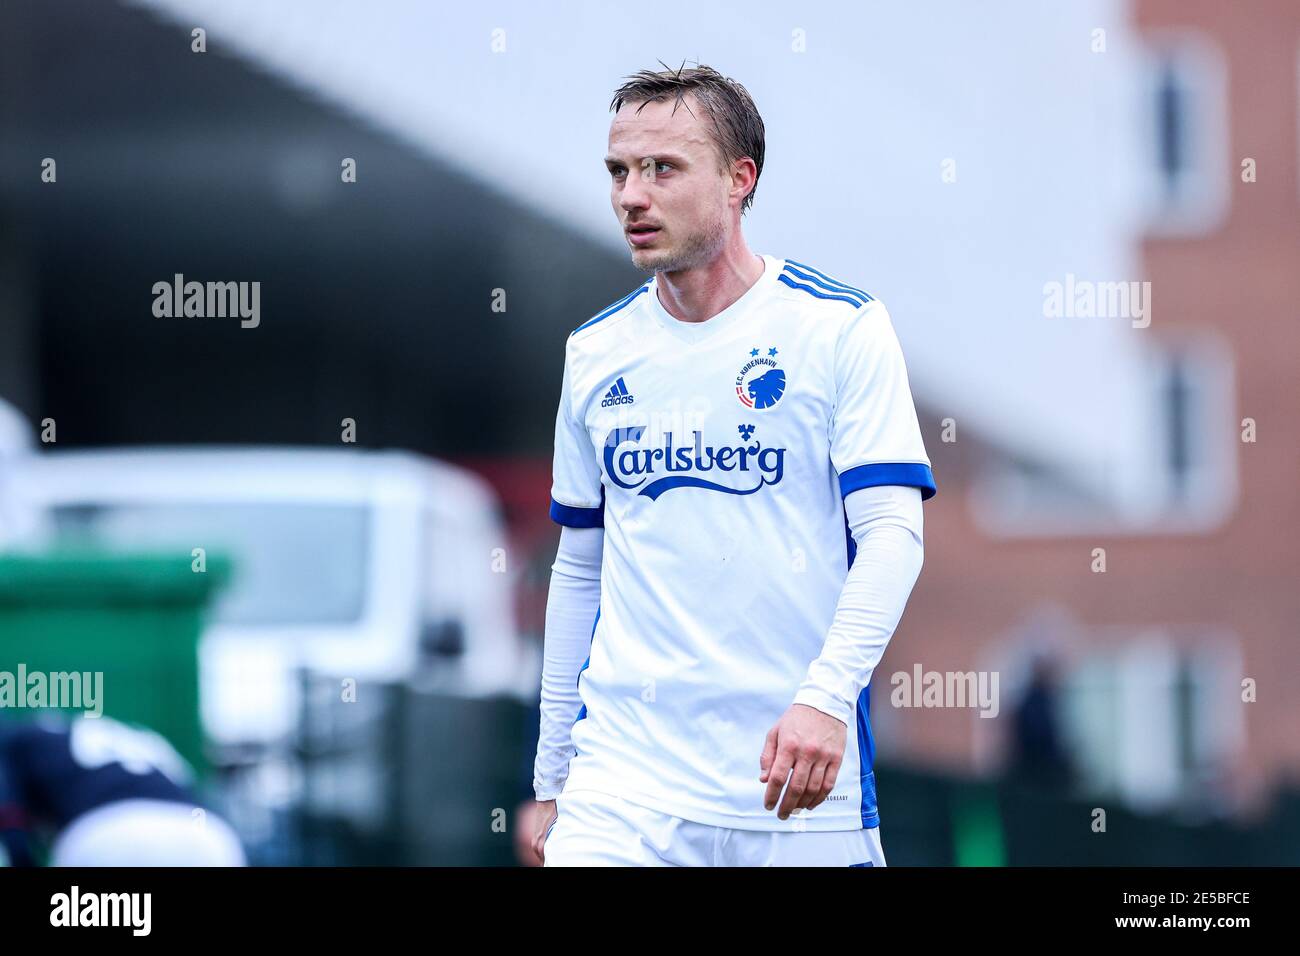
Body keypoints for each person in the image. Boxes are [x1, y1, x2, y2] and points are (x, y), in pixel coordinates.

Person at [532, 63, 935, 866]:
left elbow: (893, 534)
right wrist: (552, 778)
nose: (630, 196)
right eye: (618, 171)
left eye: (662, 169)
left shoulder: (840, 329)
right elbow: (579, 568)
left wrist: (824, 699)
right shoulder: (594, 355)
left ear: (739, 179)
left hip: (792, 787)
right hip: (624, 791)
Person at [0, 715, 245, 866]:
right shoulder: (138, 736)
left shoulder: (20, 740)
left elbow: (11, 821)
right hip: (208, 837)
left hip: (103, 835)